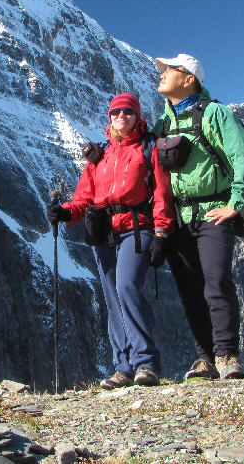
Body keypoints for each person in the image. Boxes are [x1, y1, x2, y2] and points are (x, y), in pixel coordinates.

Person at [47, 93, 175, 389]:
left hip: (137, 227)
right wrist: (66, 213)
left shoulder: (148, 149)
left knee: (127, 285)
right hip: (104, 231)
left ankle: (146, 362)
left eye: (128, 112)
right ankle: (124, 367)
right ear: (110, 116)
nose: (121, 116)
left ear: (137, 115)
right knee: (113, 297)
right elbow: (84, 197)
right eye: (116, 112)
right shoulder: (100, 154)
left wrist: (162, 232)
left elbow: (162, 195)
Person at [152, 54, 244, 380]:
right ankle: (205, 359)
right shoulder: (163, 124)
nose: (161, 74)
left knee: (216, 284)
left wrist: (236, 203)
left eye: (169, 70)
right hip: (178, 218)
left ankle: (227, 354)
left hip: (213, 213)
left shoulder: (215, 113)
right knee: (189, 290)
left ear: (189, 79)